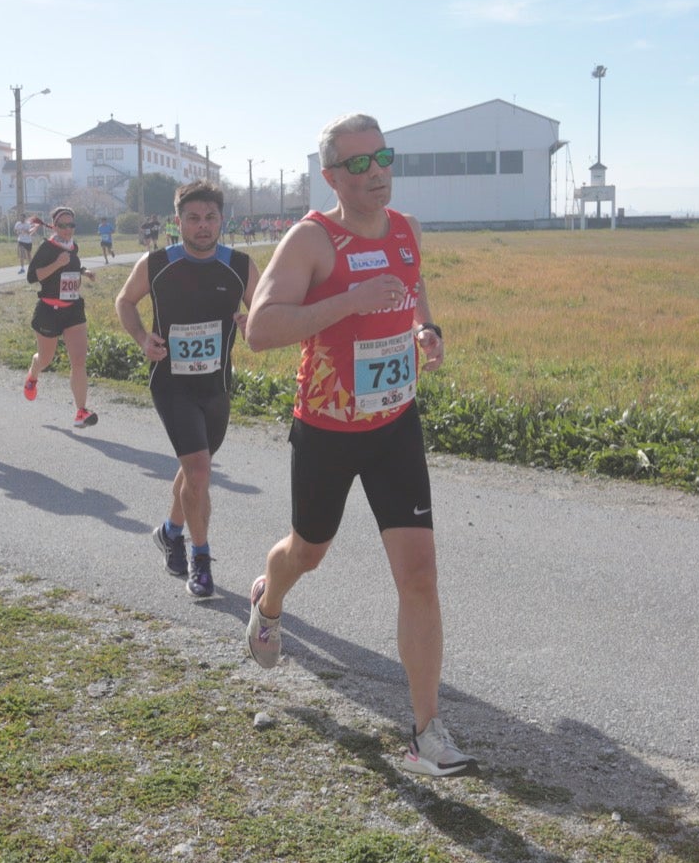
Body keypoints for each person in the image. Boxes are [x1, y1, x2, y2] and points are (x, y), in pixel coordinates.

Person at [242, 112, 472, 778]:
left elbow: (412, 283)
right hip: (328, 428)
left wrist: (424, 328)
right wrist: (350, 301)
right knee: (306, 551)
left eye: (384, 159)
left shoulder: (405, 230)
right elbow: (260, 329)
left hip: (395, 422)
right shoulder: (312, 240)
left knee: (420, 574)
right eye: (359, 164)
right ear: (331, 176)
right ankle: (268, 601)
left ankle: (426, 732)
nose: (377, 173)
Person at [115, 180, 259, 599]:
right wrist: (143, 338)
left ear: (221, 221)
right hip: (171, 384)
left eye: (210, 218)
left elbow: (265, 310)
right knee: (199, 471)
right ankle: (201, 559)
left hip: (216, 385)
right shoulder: (158, 262)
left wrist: (255, 323)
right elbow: (125, 302)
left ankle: (170, 531)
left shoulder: (240, 264)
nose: (202, 226)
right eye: (193, 218)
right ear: (178, 222)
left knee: (193, 471)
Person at [23, 205, 99, 428]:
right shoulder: (48, 247)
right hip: (49, 311)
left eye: (71, 225)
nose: (67, 229)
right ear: (54, 226)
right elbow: (31, 277)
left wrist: (84, 272)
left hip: (73, 309)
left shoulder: (72, 246)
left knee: (79, 361)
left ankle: (81, 411)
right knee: (45, 359)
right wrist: (57, 263)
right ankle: (33, 375)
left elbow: (71, 265)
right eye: (63, 225)